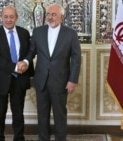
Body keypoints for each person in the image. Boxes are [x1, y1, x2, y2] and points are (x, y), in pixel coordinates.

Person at [18, 3, 81, 141]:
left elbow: (76, 58)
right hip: (41, 81)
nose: (50, 17)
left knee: (59, 115)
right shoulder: (38, 31)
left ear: (61, 17)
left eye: (54, 14)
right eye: (48, 14)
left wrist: (72, 80)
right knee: (42, 115)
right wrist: (26, 62)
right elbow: (31, 52)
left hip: (61, 81)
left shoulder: (70, 34)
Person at [0, 5, 34, 141]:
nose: (9, 20)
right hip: (0, 80)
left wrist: (25, 62)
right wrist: (15, 67)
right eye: (6, 17)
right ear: (1, 18)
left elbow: (29, 52)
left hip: (19, 80)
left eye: (11, 17)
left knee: (18, 114)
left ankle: (19, 138)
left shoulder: (24, 33)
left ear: (16, 18)